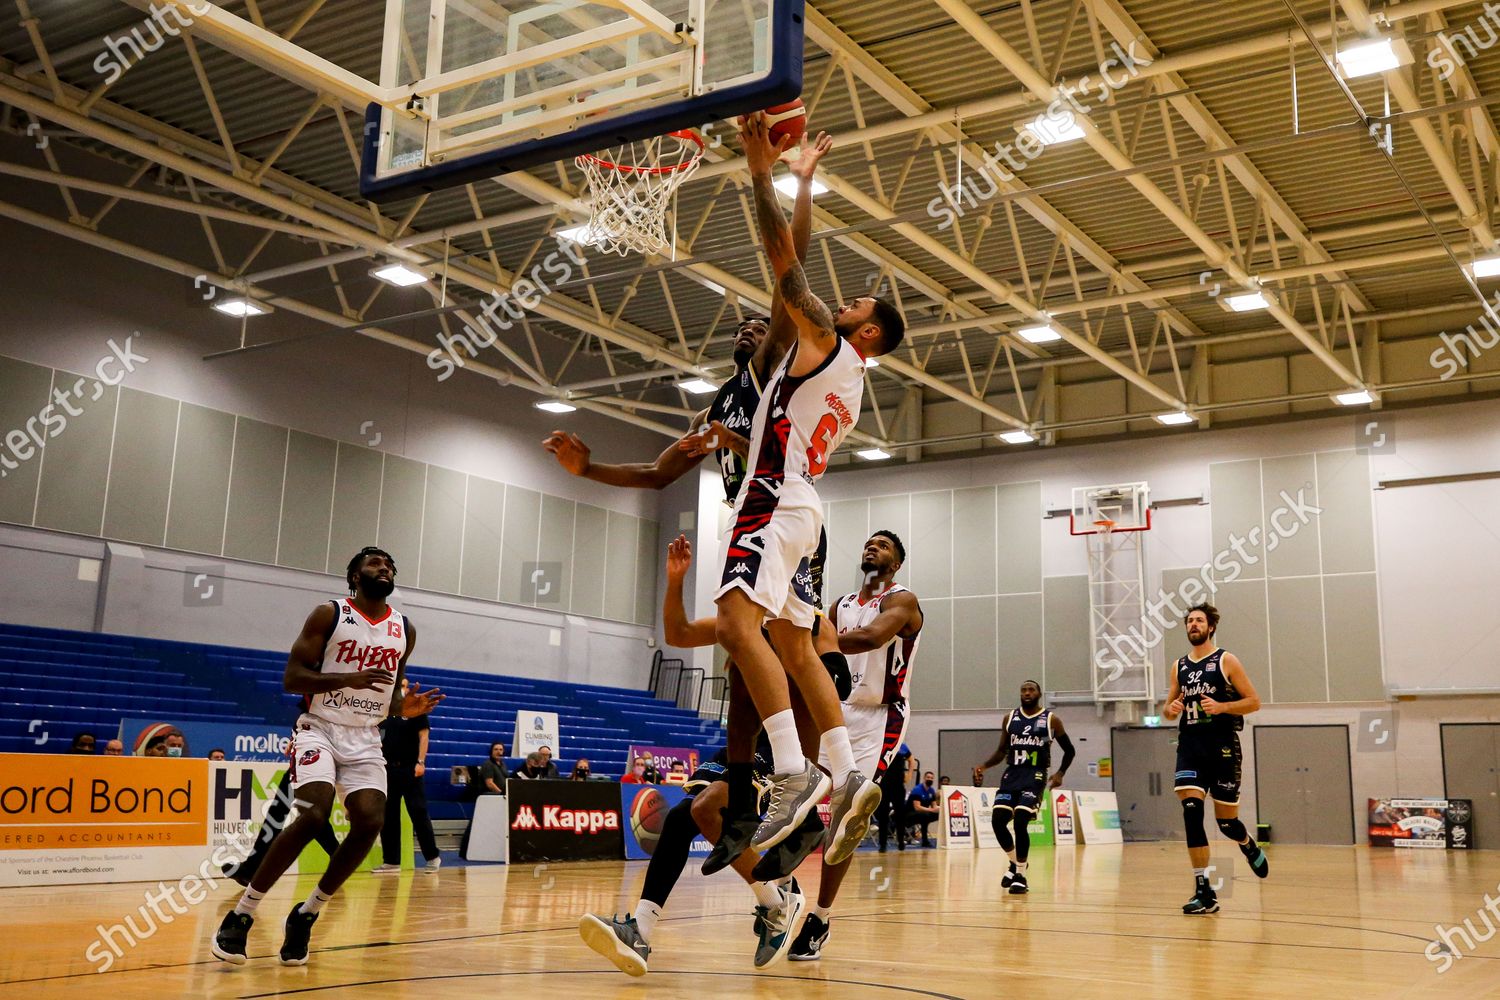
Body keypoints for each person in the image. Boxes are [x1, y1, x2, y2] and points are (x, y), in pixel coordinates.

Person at [546, 130, 841, 885]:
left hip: (786, 513)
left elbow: (791, 269)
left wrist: (793, 181)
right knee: (740, 662)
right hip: (755, 519)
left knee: (774, 646)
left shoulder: (779, 363)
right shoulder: (721, 406)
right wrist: (588, 470)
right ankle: (751, 799)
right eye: (740, 325)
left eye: (759, 320)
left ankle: (816, 773)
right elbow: (655, 472)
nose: (751, 325)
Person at [712, 114, 907, 867]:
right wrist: (801, 181)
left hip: (771, 494)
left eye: (856, 306)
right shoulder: (848, 379)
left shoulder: (827, 339)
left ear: (863, 334)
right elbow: (787, 266)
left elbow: (782, 261)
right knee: (792, 639)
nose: (846, 301)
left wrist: (761, 170)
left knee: (735, 624)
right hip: (807, 510)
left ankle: (793, 773)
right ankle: (847, 771)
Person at [210, 546, 443, 968]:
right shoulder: (329, 614)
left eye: (390, 564)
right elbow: (292, 677)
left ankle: (307, 913)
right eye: (374, 563)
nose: (384, 568)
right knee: (312, 815)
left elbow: (389, 692)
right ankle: (242, 913)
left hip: (367, 737)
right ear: (354, 576)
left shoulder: (403, 629)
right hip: (319, 729)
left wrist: (403, 709)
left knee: (371, 821)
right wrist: (348, 677)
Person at [791, 531, 922, 962]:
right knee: (797, 795)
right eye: (870, 542)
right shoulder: (840, 606)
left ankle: (821, 917)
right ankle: (784, 888)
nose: (873, 547)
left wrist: (810, 643)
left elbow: (868, 639)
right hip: (834, 707)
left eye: (884, 545)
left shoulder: (902, 601)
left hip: (879, 717)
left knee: (846, 820)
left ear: (897, 564)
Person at [580, 739, 805, 975]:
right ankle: (640, 932)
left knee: (716, 811)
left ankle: (776, 903)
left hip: (777, 743)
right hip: (741, 739)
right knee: (679, 819)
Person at [1163, 603, 1268, 915]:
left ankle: (1247, 844)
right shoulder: (1178, 666)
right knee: (1191, 811)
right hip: (1190, 747)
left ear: (1211, 627)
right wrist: (1171, 710)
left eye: (1199, 620)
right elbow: (1167, 708)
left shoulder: (1226, 660)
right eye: (1190, 621)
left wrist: (1222, 707)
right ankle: (1204, 890)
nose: (1193, 624)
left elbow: (1254, 702)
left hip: (1221, 747)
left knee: (1226, 823)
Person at [974, 680, 1075, 895]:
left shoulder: (1051, 720)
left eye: (1031, 689)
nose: (1027, 693)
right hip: (1011, 775)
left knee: (1020, 821)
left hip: (1034, 776)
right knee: (998, 821)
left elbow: (1070, 751)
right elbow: (1002, 751)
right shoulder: (1010, 718)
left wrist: (1060, 773)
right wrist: (984, 765)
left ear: (1039, 693)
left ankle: (1020, 875)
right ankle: (1015, 863)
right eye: (1024, 690)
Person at [374, 675, 442, 874]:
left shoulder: (415, 708)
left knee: (418, 812)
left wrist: (421, 762)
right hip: (387, 770)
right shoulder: (384, 711)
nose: (400, 689)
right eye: (397, 686)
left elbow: (424, 736)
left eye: (403, 686)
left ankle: (432, 856)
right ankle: (392, 861)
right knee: (389, 815)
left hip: (411, 768)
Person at [875, 744, 911, 852]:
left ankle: (901, 842)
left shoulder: (902, 746)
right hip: (884, 785)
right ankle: (883, 844)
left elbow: (911, 759)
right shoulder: (881, 744)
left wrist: (909, 774)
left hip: (898, 785)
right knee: (883, 815)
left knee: (900, 815)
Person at [905, 772, 939, 847]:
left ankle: (929, 840)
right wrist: (931, 810)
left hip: (923, 813)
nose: (930, 779)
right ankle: (925, 840)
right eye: (928, 777)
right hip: (909, 814)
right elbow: (917, 807)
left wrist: (941, 809)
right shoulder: (917, 790)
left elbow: (934, 806)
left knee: (938, 815)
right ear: (924, 778)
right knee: (925, 816)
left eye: (931, 778)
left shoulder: (931, 791)